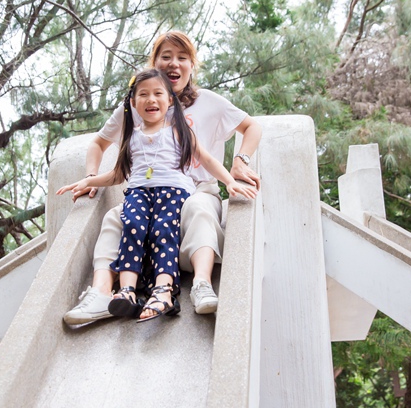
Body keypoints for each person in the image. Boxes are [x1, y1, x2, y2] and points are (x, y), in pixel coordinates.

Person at [62, 31, 262, 324]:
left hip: (197, 190)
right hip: (148, 193)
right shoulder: (137, 105)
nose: (174, 63)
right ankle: (103, 291)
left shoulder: (208, 102)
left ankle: (202, 285)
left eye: (182, 58)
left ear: (192, 66)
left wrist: (240, 162)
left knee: (199, 209)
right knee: (115, 218)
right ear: (154, 63)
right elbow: (99, 143)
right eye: (165, 56)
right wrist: (91, 177)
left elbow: (252, 127)